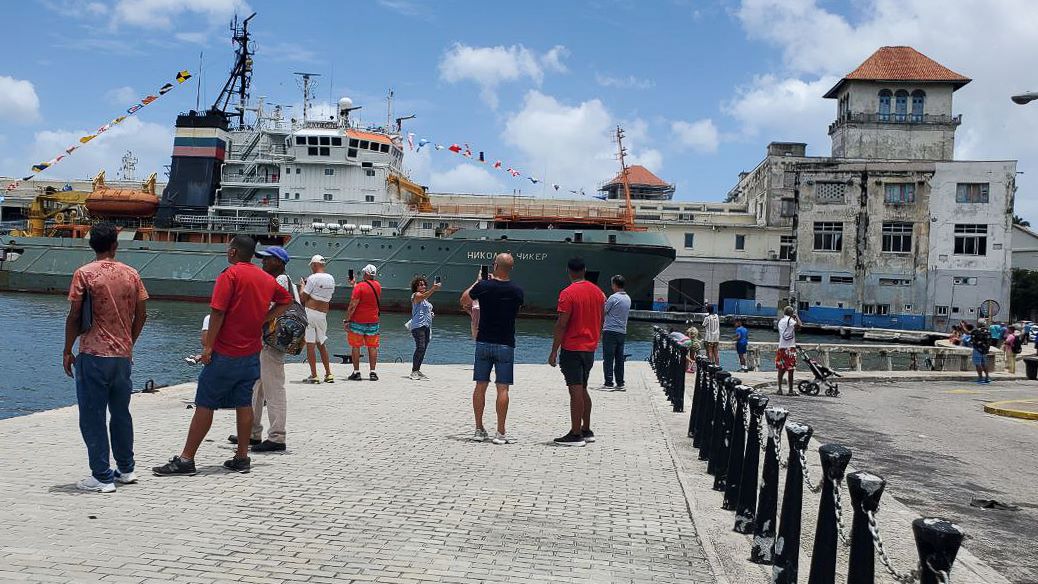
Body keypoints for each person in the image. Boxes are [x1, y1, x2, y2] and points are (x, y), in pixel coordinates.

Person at [153, 235, 292, 476]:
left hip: (226, 352)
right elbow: (286, 301)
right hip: (251, 354)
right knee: (243, 403)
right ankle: (241, 457)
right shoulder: (265, 279)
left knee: (205, 404)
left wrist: (208, 348)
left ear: (234, 252)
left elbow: (217, 313)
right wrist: (263, 319)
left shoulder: (230, 276)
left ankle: (186, 459)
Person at [63, 222, 149, 493]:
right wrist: (128, 344)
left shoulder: (84, 274)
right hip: (122, 358)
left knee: (93, 416)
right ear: (115, 245)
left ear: (92, 245)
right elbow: (142, 314)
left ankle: (101, 476)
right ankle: (126, 469)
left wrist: (67, 349)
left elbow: (75, 315)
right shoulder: (132, 274)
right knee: (121, 413)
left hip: (93, 355)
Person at [228, 245, 294, 452]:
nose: (263, 262)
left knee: (274, 388)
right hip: (268, 341)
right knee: (257, 387)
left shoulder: (279, 281)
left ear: (279, 262)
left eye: (268, 259)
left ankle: (277, 437)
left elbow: (267, 307)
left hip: (271, 342)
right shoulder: (284, 280)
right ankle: (253, 432)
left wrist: (257, 320)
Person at [461, 254, 524, 444]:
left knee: (480, 385)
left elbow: (464, 300)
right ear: (511, 268)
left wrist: (477, 281)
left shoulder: (483, 287)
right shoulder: (517, 291)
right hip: (505, 342)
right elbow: (517, 309)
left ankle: (479, 429)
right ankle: (501, 433)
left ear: (495, 266)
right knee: (502, 388)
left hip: (483, 341)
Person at [549, 258, 606, 447]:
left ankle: (575, 434)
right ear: (585, 270)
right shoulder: (599, 293)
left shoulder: (568, 293)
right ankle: (586, 429)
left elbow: (561, 324)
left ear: (569, 271)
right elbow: (601, 319)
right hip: (590, 348)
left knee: (575, 390)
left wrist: (553, 351)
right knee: (582, 388)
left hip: (572, 347)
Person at [300, 255, 335, 383]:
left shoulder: (312, 278)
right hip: (323, 315)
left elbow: (303, 298)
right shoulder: (331, 278)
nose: (311, 268)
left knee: (310, 345)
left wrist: (302, 286)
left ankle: (314, 375)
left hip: (310, 313)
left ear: (315, 265)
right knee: (322, 343)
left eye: (311, 266)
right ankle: (329, 374)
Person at [344, 263, 382, 381]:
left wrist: (347, 320)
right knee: (372, 347)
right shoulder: (378, 286)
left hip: (358, 321)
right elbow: (367, 292)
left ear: (365, 273)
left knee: (356, 346)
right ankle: (373, 372)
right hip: (373, 321)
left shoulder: (359, 287)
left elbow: (353, 305)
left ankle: (356, 372)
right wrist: (354, 285)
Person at [601, 274, 632, 390]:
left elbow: (604, 311)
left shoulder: (613, 298)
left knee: (608, 358)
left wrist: (604, 300)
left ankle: (608, 382)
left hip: (610, 331)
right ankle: (620, 382)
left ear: (615, 284)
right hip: (622, 331)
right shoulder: (628, 298)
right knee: (619, 358)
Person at [409, 275, 442, 380]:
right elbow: (421, 297)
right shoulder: (415, 295)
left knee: (424, 349)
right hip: (418, 326)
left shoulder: (426, 300)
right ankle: (414, 371)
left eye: (424, 285)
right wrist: (434, 288)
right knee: (420, 347)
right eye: (420, 285)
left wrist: (430, 313)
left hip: (426, 326)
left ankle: (417, 370)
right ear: (416, 287)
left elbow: (424, 308)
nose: (422, 286)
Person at [776, 306, 800, 395]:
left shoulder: (780, 321)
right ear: (791, 313)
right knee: (790, 370)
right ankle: (790, 390)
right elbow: (800, 325)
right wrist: (796, 317)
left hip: (781, 347)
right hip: (790, 347)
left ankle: (779, 389)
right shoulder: (791, 321)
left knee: (780, 369)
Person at [971, 318, 992, 384]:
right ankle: (987, 377)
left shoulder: (976, 331)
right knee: (984, 364)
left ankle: (980, 377)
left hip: (977, 349)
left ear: (978, 324)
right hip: (985, 350)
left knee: (978, 364)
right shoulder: (988, 332)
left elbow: (972, 339)